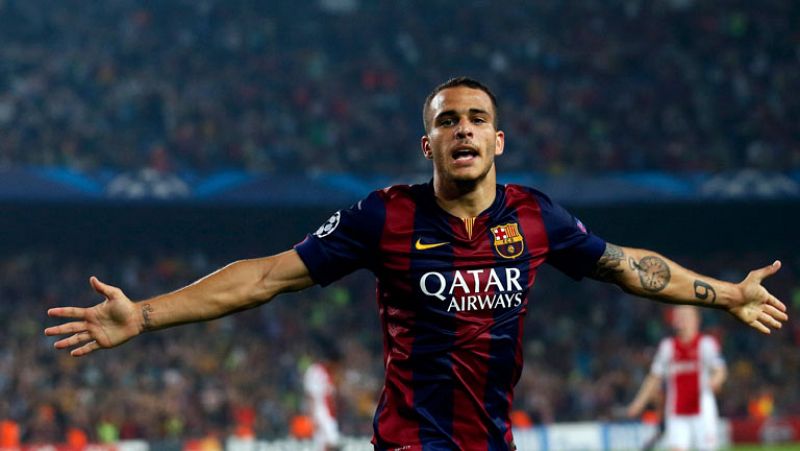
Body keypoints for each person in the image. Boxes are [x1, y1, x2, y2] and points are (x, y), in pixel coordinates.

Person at [45, 77, 788, 450]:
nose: (463, 129)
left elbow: (627, 266)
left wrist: (727, 294)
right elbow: (266, 276)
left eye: (477, 119)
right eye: (447, 120)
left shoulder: (537, 218)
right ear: (427, 144)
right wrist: (144, 315)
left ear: (498, 141)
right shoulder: (384, 216)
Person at [627, 306, 727, 451]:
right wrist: (639, 403)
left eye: (686, 316)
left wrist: (716, 380)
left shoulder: (706, 344)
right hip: (676, 411)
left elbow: (720, 369)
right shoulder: (667, 347)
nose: (682, 320)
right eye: (679, 316)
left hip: (703, 410)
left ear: (696, 320)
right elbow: (654, 378)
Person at [303, 345, 342, 451]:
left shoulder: (329, 374)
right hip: (320, 412)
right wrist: (312, 416)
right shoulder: (315, 371)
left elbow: (331, 396)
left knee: (327, 443)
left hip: (328, 413)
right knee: (331, 442)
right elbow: (311, 395)